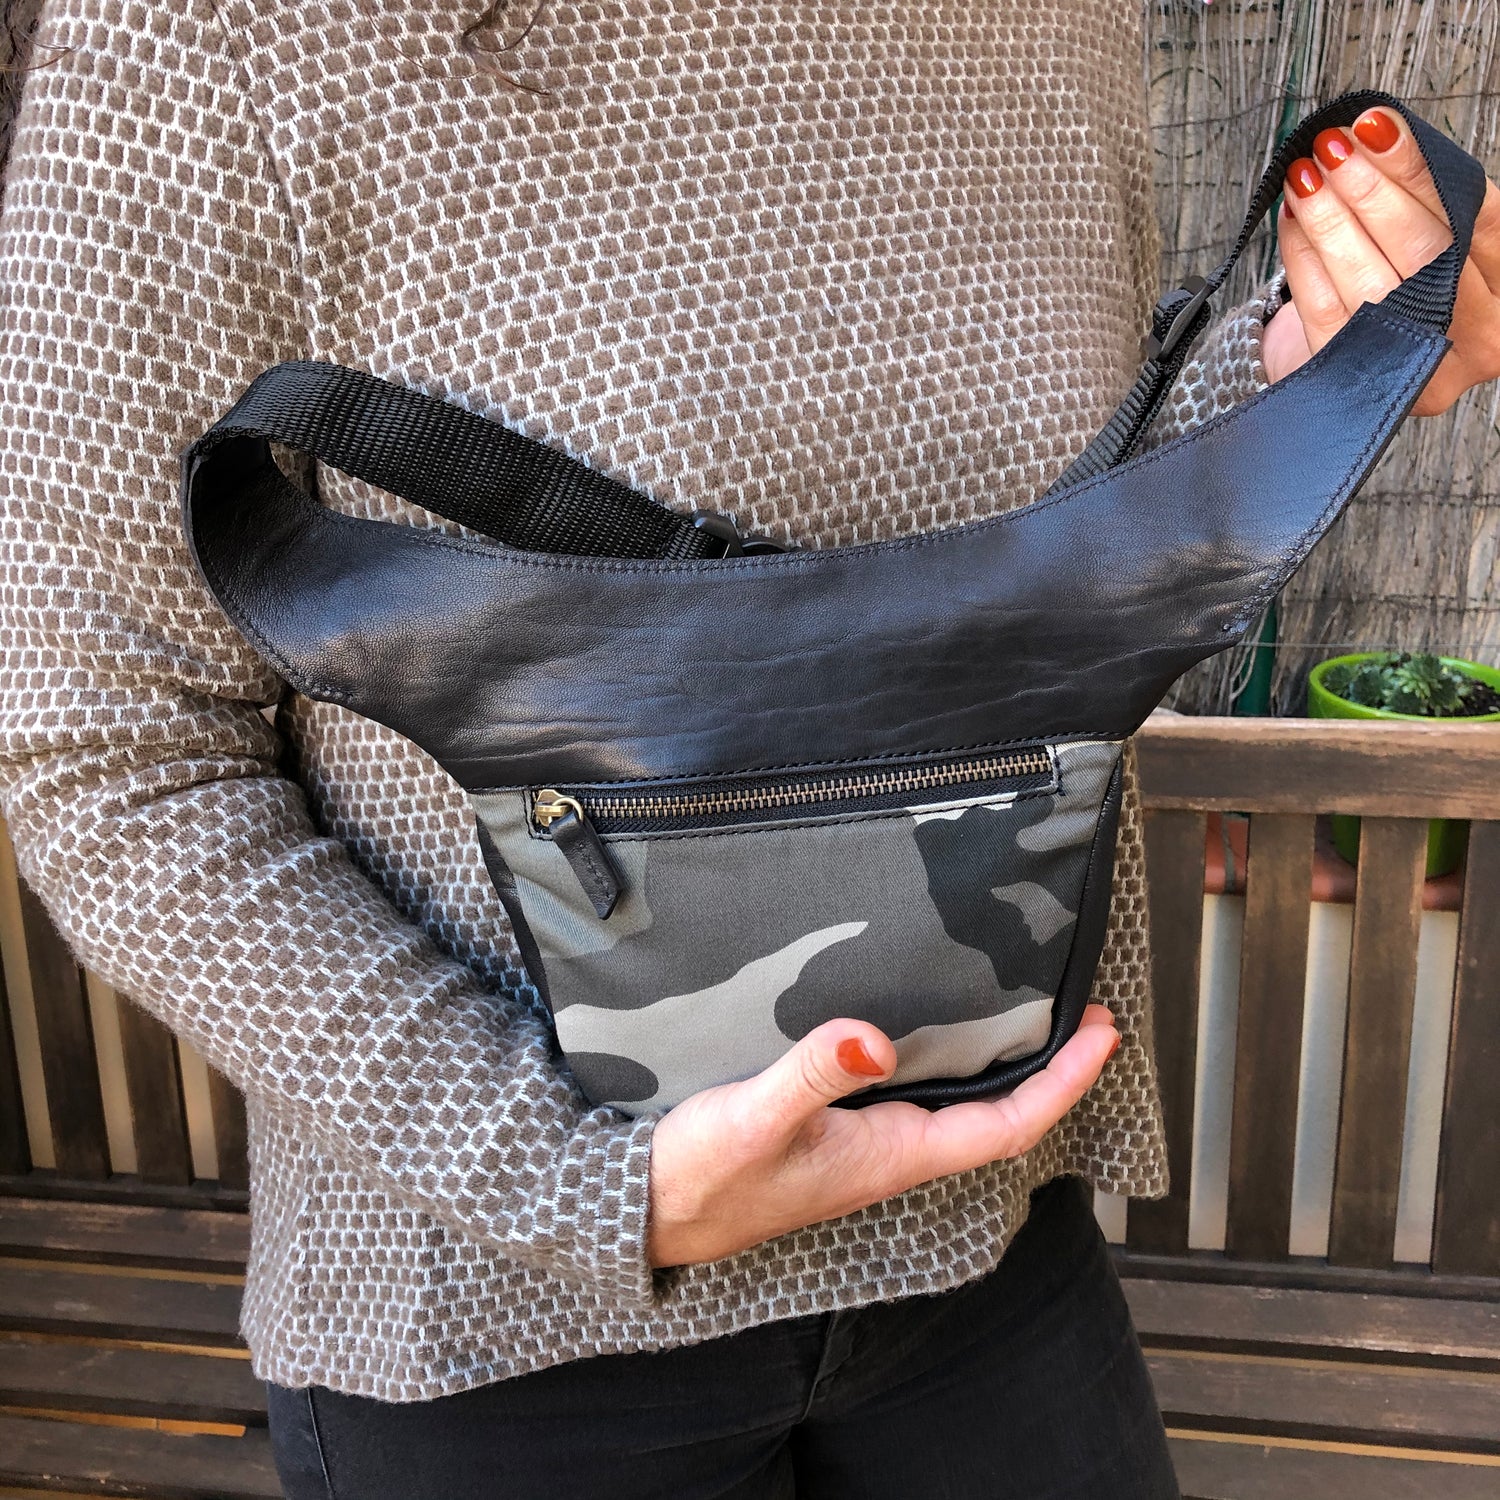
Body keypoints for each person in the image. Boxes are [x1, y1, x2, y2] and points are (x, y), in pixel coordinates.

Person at [1, 3, 1496, 1496]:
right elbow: (116, 757)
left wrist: (1307, 365)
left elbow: (1036, 549)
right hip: (497, 1326)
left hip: (986, 1233)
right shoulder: (216, 38)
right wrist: (577, 1179)